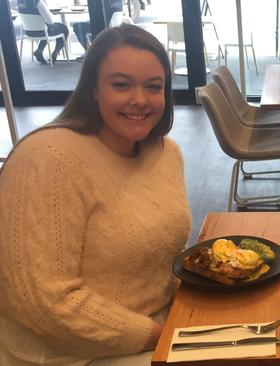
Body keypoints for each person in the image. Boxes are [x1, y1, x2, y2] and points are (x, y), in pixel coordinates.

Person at [0, 24, 191, 365]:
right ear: (93, 89)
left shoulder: (165, 153)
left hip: (159, 328)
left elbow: (163, 257)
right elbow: (42, 303)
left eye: (153, 86)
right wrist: (155, 334)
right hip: (70, 354)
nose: (140, 100)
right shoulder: (47, 159)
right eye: (121, 84)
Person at [17, 0, 70, 65]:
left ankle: (39, 50)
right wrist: (50, 13)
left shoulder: (20, 2)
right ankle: (55, 53)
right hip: (42, 31)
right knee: (63, 28)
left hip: (28, 32)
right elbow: (50, 21)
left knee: (46, 28)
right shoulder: (39, 2)